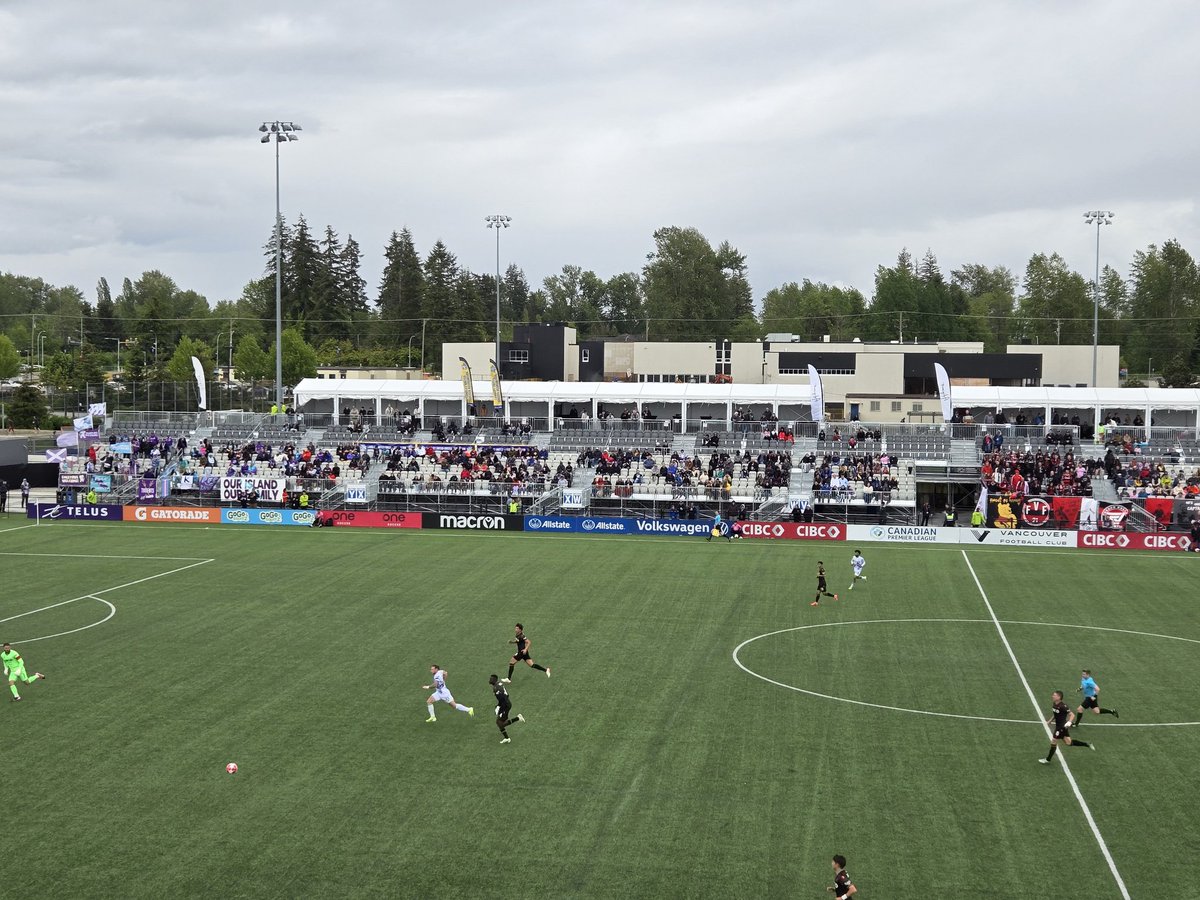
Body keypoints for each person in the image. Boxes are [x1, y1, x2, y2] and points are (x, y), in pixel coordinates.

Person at [1040, 690, 1092, 762]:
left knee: (1054, 741)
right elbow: (1055, 714)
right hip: (1059, 726)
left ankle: (1048, 759)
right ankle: (1086, 744)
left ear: (1059, 697)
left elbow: (1072, 714)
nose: (1052, 696)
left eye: (1054, 695)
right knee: (1069, 743)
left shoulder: (1063, 706)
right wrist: (1050, 721)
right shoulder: (1054, 704)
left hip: (1061, 727)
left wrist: (1069, 722)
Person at [489, 674, 525, 744]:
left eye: (491, 679)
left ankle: (507, 737)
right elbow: (506, 695)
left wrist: (499, 707)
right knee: (499, 723)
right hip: (505, 704)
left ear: (494, 680)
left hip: (505, 706)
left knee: (500, 723)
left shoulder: (496, 688)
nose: (489, 680)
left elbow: (503, 698)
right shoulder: (499, 684)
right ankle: (517, 719)